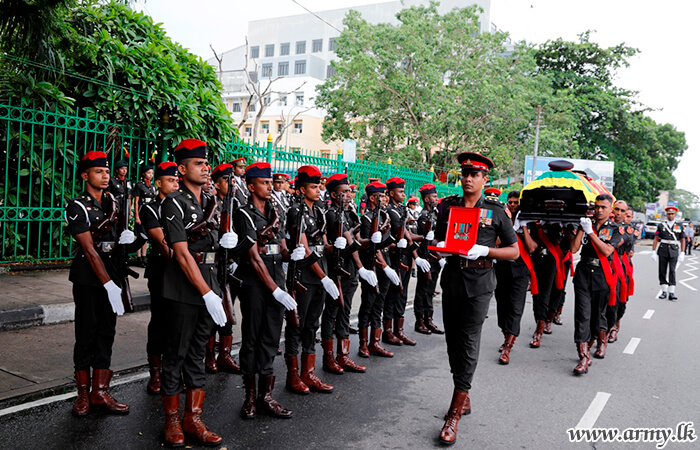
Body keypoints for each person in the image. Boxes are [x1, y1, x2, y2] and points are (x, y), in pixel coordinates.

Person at [434, 152, 519, 445]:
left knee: (468, 340)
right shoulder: (448, 207)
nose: (468, 179)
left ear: (485, 179)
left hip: (480, 283)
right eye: (465, 174)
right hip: (453, 280)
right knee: (452, 340)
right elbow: (436, 240)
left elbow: (514, 251)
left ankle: (454, 413)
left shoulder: (495, 210)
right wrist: (442, 250)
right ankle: (464, 393)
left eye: (475, 174)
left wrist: (487, 251)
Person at [159, 139, 236, 447]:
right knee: (175, 354)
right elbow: (180, 252)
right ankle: (172, 421)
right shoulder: (173, 202)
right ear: (181, 169)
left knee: (198, 354)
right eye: (198, 163)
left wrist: (230, 244)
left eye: (206, 163)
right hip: (183, 288)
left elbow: (214, 244)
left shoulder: (211, 201)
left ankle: (194, 418)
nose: (205, 167)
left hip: (211, 282)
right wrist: (205, 293)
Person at [64, 151, 137, 417]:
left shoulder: (114, 203)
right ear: (85, 176)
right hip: (89, 279)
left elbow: (118, 245)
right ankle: (82, 394)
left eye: (107, 171)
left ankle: (100, 392)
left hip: (113, 276)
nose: (105, 176)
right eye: (99, 172)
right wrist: (107, 284)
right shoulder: (77, 206)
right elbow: (89, 249)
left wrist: (133, 240)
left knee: (106, 332)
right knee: (86, 333)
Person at [233, 161, 297, 420]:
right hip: (255, 286)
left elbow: (280, 247)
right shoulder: (244, 214)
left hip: (276, 281)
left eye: (271, 182)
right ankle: (249, 398)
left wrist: (291, 254)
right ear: (251, 186)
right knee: (251, 339)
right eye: (264, 182)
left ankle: (266, 396)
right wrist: (275, 290)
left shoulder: (274, 210)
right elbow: (253, 258)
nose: (270, 187)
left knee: (271, 337)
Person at [284, 165, 341, 395]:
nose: (318, 191)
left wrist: (336, 246)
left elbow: (323, 244)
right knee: (297, 325)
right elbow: (305, 249)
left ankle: (308, 372)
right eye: (313, 187)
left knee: (312, 325)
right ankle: (293, 375)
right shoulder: (295, 211)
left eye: (319, 186)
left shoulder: (318, 210)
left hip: (320, 274)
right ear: (300, 189)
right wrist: (324, 277)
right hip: (305, 276)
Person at [320, 173, 378, 375]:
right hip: (338, 270)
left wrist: (373, 241)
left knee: (345, 312)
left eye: (349, 191)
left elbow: (358, 242)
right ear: (334, 195)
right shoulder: (331, 215)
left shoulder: (350, 214)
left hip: (350, 271)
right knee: (332, 312)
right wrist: (362, 267)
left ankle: (342, 355)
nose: (349, 194)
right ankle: (328, 357)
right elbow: (350, 245)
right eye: (344, 192)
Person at [569, 194, 622, 376]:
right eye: (597, 207)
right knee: (582, 315)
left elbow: (607, 251)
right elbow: (574, 249)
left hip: (602, 275)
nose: (599, 210)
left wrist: (590, 232)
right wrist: (583, 230)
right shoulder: (586, 223)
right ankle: (583, 357)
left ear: (610, 210)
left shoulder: (615, 229)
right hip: (584, 273)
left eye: (603, 207)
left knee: (596, 315)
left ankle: (598, 342)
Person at [139, 161, 179, 395]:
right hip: (162, 270)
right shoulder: (150, 208)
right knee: (160, 322)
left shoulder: (183, 206)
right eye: (170, 180)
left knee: (178, 323)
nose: (175, 184)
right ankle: (155, 373)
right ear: (158, 183)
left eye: (176, 180)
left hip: (183, 270)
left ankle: (172, 371)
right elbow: (162, 243)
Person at [202, 163, 243, 375]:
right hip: (213, 265)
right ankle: (209, 355)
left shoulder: (236, 205)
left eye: (233, 180)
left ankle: (225, 354)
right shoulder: (210, 204)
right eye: (227, 180)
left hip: (230, 265)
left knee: (229, 310)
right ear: (216, 184)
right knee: (212, 313)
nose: (232, 184)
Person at [383, 177, 432, 347]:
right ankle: (388, 332)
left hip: (404, 255)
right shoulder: (391, 211)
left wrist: (423, 237)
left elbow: (408, 235)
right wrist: (417, 256)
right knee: (393, 294)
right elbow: (402, 233)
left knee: (402, 295)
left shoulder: (402, 210)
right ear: (391, 193)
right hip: (394, 257)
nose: (403, 194)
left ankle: (399, 330)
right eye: (400, 191)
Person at [356, 181, 400, 358]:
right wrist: (385, 266)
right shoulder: (366, 218)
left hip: (384, 265)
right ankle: (363, 344)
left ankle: (375, 342)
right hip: (372, 266)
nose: (384, 198)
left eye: (384, 195)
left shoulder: (384, 217)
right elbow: (371, 248)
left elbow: (385, 244)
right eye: (381, 196)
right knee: (368, 304)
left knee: (379, 304)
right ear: (372, 198)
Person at [494, 190, 536, 364]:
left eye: (515, 202)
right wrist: (506, 228)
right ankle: (506, 335)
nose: (512, 204)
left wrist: (524, 227)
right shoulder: (502, 219)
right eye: (510, 202)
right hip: (502, 268)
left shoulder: (529, 221)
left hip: (521, 271)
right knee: (502, 307)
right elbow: (495, 243)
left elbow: (532, 248)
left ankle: (508, 346)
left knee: (516, 308)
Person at [413, 184, 445, 336]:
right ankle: (420, 321)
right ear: (426, 199)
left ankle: (429, 320)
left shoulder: (436, 213)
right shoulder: (424, 216)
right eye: (434, 196)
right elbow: (426, 240)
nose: (436, 198)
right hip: (426, 257)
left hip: (436, 258)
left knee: (430, 290)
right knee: (422, 290)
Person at [652, 206, 685, 300]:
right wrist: (653, 251)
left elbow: (683, 239)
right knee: (662, 271)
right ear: (666, 215)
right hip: (663, 250)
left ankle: (671, 292)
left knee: (672, 270)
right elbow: (656, 239)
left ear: (675, 215)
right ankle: (663, 291)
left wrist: (682, 252)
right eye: (669, 214)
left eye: (672, 214)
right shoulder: (661, 225)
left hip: (674, 250)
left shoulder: (679, 225)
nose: (670, 216)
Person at [133, 165, 157, 267]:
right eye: (148, 173)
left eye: (152, 173)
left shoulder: (152, 186)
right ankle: (138, 257)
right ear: (143, 174)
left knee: (146, 235)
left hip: (149, 212)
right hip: (142, 211)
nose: (150, 175)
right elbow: (136, 201)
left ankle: (144, 256)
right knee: (140, 235)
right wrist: (137, 216)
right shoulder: (139, 185)